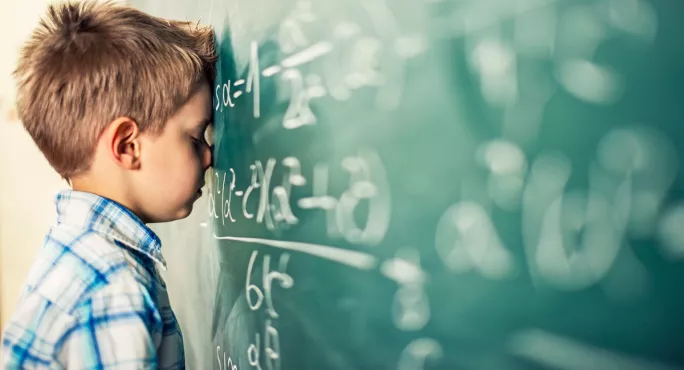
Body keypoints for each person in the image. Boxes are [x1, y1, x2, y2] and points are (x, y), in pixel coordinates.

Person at [0, 1, 216, 368]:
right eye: (196, 138)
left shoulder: (77, 250)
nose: (211, 156)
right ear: (127, 146)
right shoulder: (113, 288)